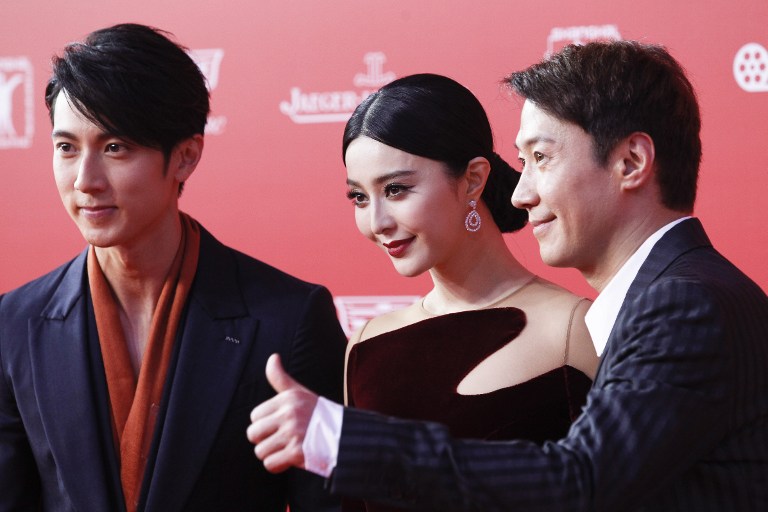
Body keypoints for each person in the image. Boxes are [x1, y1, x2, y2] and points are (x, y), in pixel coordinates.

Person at [247, 40, 768, 511]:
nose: (519, 193)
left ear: (631, 162)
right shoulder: (680, 296)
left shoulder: (680, 305)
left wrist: (344, 440)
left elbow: (581, 481)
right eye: (359, 197)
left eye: (541, 158)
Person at [0, 23, 346, 512]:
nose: (85, 180)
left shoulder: (288, 320)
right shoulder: (14, 324)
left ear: (185, 157)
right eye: (67, 148)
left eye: (115, 147)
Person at [340, 73, 598, 511]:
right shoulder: (366, 347)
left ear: (474, 180)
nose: (377, 222)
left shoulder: (575, 329)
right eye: (359, 198)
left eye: (396, 189)